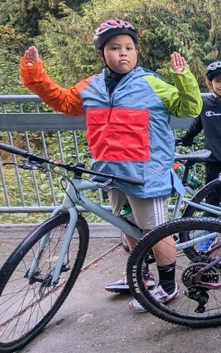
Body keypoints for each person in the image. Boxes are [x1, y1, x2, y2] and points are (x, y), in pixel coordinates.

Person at [19, 18, 203, 312]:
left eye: (129, 47)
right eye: (115, 48)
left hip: (146, 172)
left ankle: (168, 286)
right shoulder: (91, 86)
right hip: (109, 170)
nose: (123, 53)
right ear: (102, 53)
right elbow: (63, 101)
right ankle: (139, 275)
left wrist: (183, 76)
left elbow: (189, 107)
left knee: (155, 230)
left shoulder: (150, 83)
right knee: (127, 226)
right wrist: (34, 73)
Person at [179, 61, 221, 182]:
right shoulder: (205, 104)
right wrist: (187, 138)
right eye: (218, 81)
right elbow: (197, 125)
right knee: (212, 198)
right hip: (212, 159)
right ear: (210, 83)